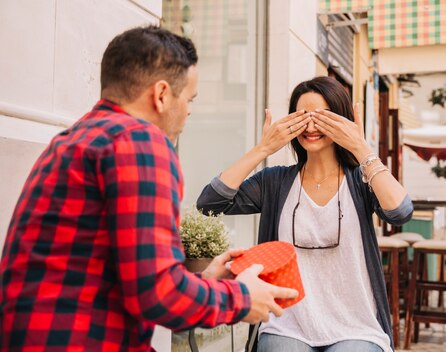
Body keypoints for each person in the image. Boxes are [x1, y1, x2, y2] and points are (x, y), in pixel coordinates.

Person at [0, 26, 297, 350]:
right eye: (189, 98)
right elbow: (158, 294)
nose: (189, 110)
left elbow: (127, 277)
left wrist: (203, 282)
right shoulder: (139, 143)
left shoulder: (73, 139)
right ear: (161, 94)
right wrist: (241, 298)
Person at [196, 76, 413, 352]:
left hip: (356, 327)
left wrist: (360, 147)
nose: (310, 126)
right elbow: (210, 203)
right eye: (302, 117)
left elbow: (400, 211)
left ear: (341, 120)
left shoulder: (361, 181)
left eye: (322, 117)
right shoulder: (274, 182)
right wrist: (262, 149)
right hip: (287, 325)